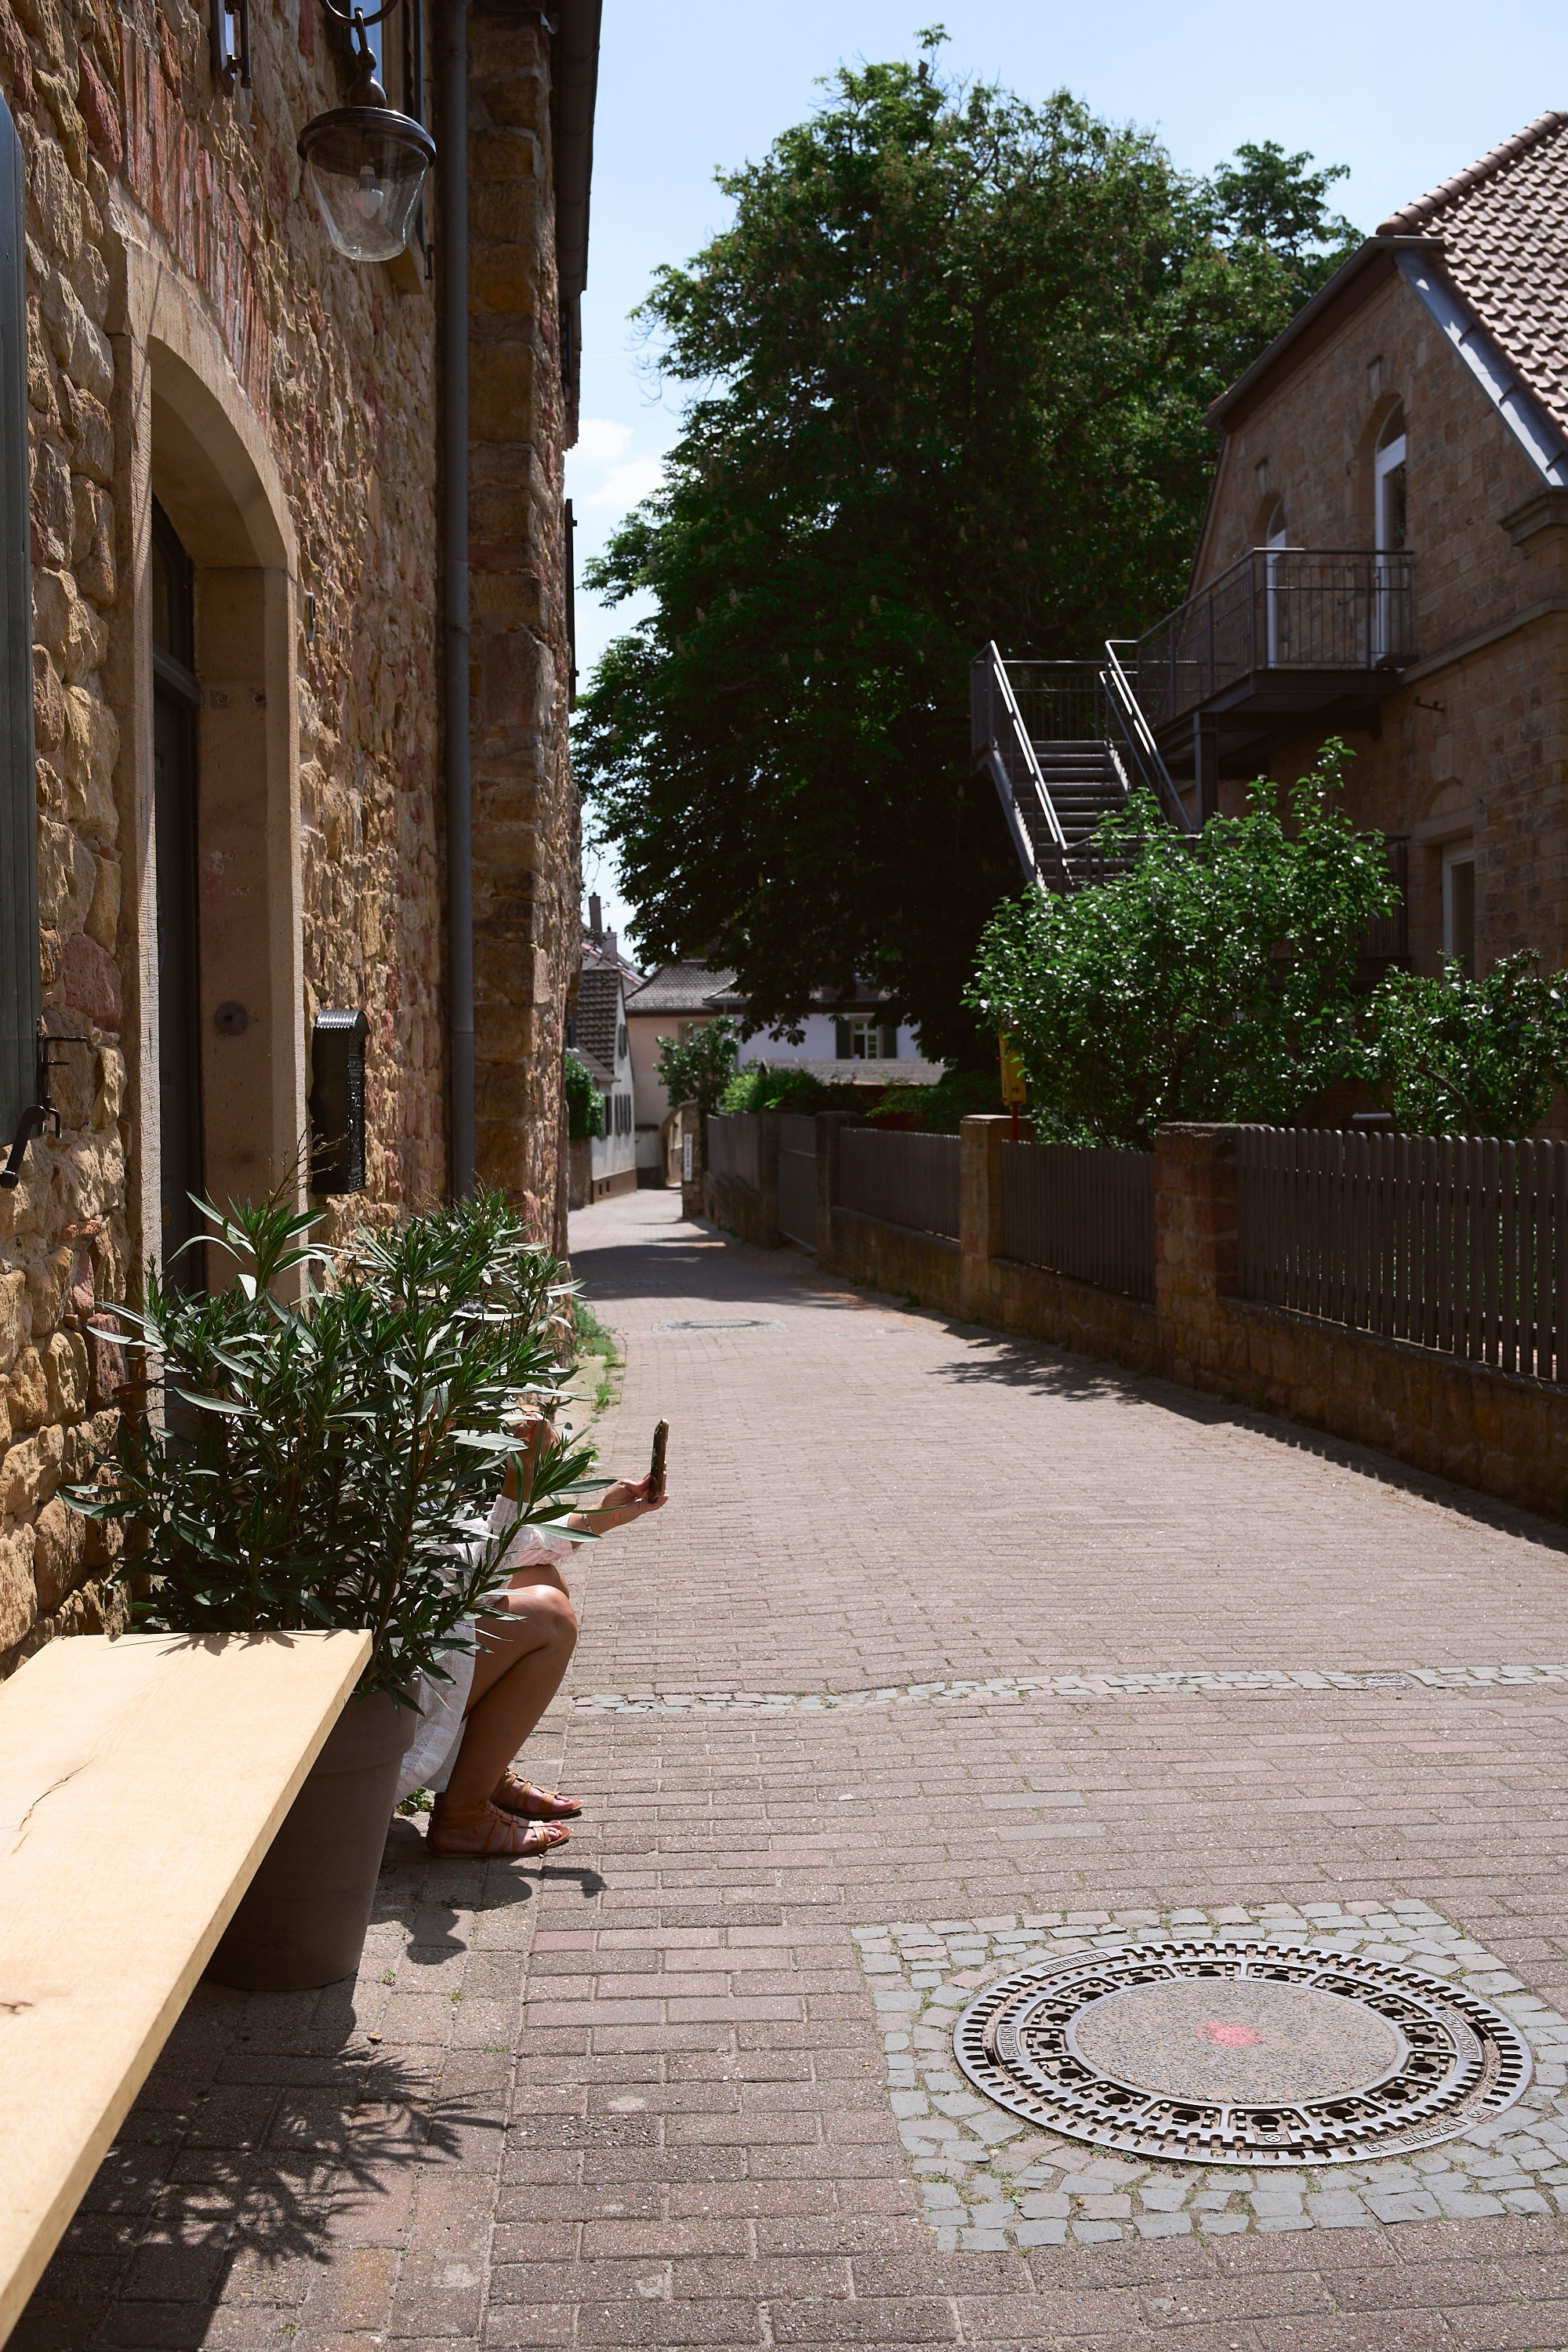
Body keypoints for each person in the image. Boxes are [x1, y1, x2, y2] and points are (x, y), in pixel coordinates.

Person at [395, 1414, 666, 1857]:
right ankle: (464, 1815)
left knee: (539, 1575)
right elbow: (474, 1576)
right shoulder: (373, 1463)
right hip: (386, 1676)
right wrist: (519, 1483)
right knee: (548, 1617)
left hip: (414, 1637)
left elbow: (478, 1554)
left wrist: (603, 1515)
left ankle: (481, 1769)